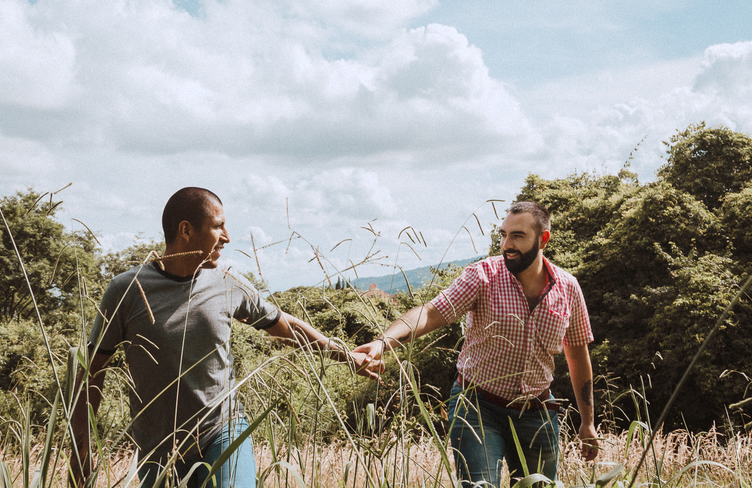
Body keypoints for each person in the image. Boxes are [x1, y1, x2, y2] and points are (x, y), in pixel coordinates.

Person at [69, 187, 377, 488]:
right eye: (219, 226)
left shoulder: (227, 282)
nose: (227, 237)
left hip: (222, 431)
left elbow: (287, 326)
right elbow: (92, 371)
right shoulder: (127, 290)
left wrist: (348, 357)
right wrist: (81, 450)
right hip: (158, 449)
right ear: (186, 231)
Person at [356, 200, 599, 486]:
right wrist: (383, 343)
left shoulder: (568, 288)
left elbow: (577, 355)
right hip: (477, 406)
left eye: (517, 236)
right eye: (503, 234)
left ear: (543, 239)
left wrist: (587, 421)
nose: (506, 243)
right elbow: (432, 313)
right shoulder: (482, 276)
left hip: (537, 410)